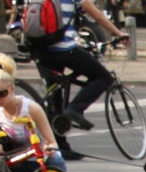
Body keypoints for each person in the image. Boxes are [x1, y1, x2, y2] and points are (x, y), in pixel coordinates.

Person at [30, 0, 127, 136]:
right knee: (103, 77)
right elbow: (96, 15)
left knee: (55, 97)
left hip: (40, 48)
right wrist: (118, 33)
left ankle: (61, 147)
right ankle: (76, 108)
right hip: (64, 49)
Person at [0, 54, 66, 172]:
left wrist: (50, 149)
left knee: (56, 159)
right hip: (13, 162)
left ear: (12, 88)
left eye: (1, 93)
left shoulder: (32, 108)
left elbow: (52, 142)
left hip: (39, 161)